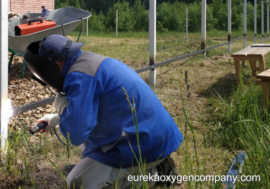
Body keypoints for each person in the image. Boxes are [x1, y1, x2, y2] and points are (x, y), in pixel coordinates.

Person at [24, 34, 183, 189]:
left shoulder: (80, 77)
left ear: (56, 65)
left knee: (78, 183)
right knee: (89, 141)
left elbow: (75, 135)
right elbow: (91, 108)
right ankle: (127, 166)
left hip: (147, 142)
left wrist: (62, 107)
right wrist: (56, 118)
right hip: (152, 132)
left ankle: (157, 172)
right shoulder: (88, 62)